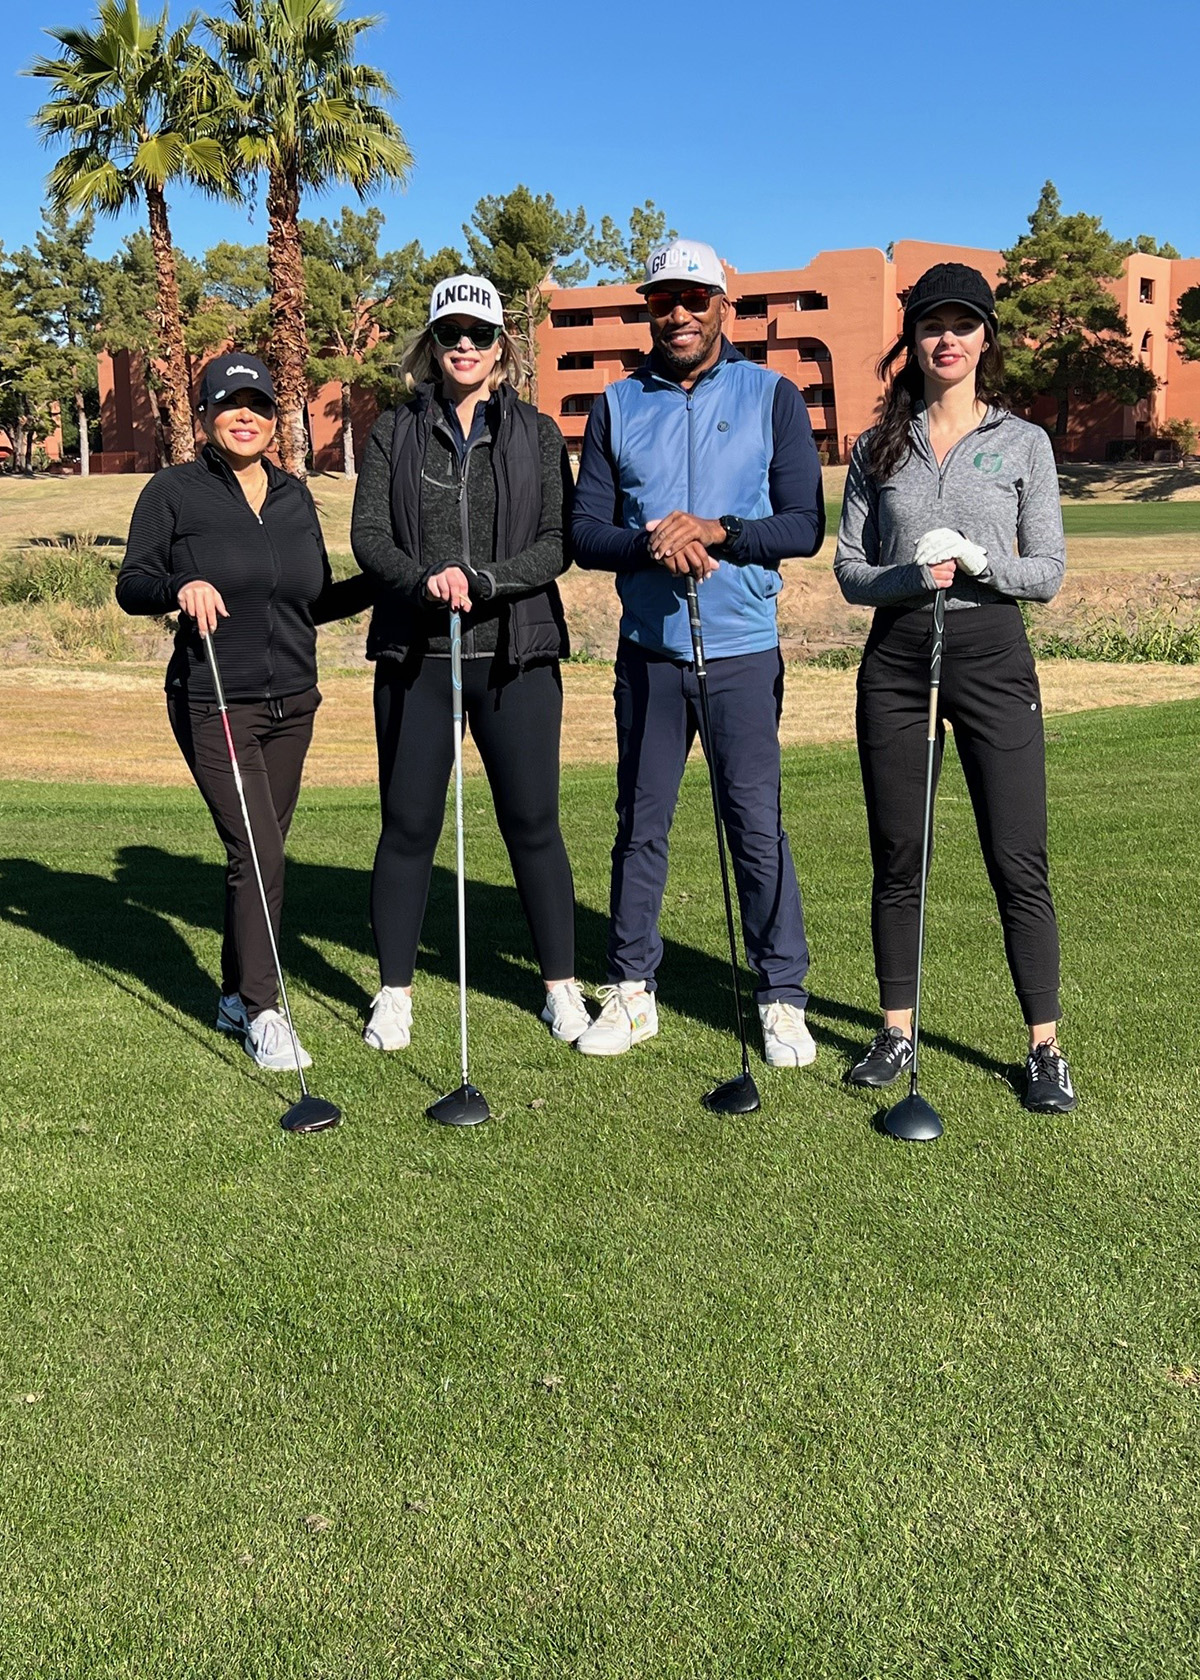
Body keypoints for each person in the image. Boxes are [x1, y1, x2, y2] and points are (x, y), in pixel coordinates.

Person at [571, 238, 825, 1065]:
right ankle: (632, 988)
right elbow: (586, 532)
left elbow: (804, 524)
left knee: (754, 824)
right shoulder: (616, 403)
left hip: (743, 648)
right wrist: (654, 543)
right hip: (649, 650)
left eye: (692, 298)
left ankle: (781, 996)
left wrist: (718, 532)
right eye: (661, 301)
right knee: (641, 824)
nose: (677, 314)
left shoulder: (772, 395)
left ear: (724, 306)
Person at [834, 262, 1076, 1113]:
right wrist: (911, 573)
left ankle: (1044, 1048)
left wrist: (980, 562)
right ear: (913, 338)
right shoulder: (878, 446)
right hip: (898, 661)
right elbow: (850, 572)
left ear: (985, 338)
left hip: (993, 656)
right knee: (900, 854)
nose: (947, 339)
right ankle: (896, 1031)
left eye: (963, 325)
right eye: (932, 324)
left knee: (1017, 856)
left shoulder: (1025, 442)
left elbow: (1047, 571)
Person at [350, 274, 588, 1051]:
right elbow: (369, 538)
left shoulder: (538, 433)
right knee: (407, 825)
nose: (464, 346)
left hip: (516, 656)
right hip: (417, 656)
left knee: (534, 824)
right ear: (431, 344)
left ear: (501, 348)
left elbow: (557, 543)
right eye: (449, 333)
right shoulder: (394, 430)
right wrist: (424, 580)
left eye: (479, 334)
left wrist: (485, 581)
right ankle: (394, 993)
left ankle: (559, 987)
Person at [116, 352, 372, 1070]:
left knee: (258, 854)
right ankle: (264, 1010)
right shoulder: (173, 491)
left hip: (294, 703)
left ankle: (234, 995)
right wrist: (180, 586)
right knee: (258, 854)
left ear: (274, 417)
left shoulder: (294, 497)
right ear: (204, 416)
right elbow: (132, 583)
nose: (245, 416)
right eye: (230, 405)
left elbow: (312, 601)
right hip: (214, 700)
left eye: (258, 404)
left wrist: (387, 583)